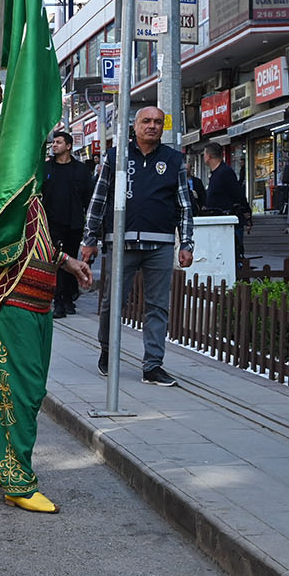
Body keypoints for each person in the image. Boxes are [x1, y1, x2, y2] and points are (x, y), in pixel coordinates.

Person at [0, 82, 94, 514]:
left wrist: (67, 262)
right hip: (8, 297)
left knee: (30, 390)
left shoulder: (29, 183)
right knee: (20, 388)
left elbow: (38, 237)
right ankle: (18, 478)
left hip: (40, 298)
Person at [80, 106, 195, 386]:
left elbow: (184, 204)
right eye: (146, 121)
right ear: (135, 126)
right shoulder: (115, 156)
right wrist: (89, 239)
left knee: (157, 305)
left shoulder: (173, 159)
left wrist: (187, 242)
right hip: (121, 242)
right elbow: (99, 199)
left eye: (158, 122)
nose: (152, 126)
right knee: (112, 303)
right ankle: (108, 352)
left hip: (161, 242)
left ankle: (153, 365)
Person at [42, 129, 94, 318]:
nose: (54, 145)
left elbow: (89, 198)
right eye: (53, 142)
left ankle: (70, 298)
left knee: (72, 259)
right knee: (57, 261)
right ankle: (58, 301)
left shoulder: (80, 170)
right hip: (52, 223)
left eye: (58, 142)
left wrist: (92, 229)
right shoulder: (47, 168)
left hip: (74, 223)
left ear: (69, 146)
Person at [202, 141, 249, 271]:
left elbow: (238, 194)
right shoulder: (215, 173)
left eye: (204, 154)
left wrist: (246, 213)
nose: (204, 157)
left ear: (209, 156)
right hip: (217, 221)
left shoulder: (225, 172)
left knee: (233, 255)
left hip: (229, 221)